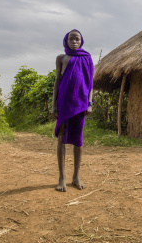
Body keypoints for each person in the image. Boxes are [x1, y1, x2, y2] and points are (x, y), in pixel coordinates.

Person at [51, 29, 94, 192]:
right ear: (66, 40)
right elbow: (57, 81)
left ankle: (76, 176)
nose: (74, 41)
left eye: (77, 39)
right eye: (71, 39)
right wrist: (54, 105)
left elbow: (90, 83)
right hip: (64, 102)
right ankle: (62, 177)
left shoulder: (86, 57)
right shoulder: (61, 58)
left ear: (81, 41)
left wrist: (90, 103)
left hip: (81, 102)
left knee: (78, 138)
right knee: (61, 136)